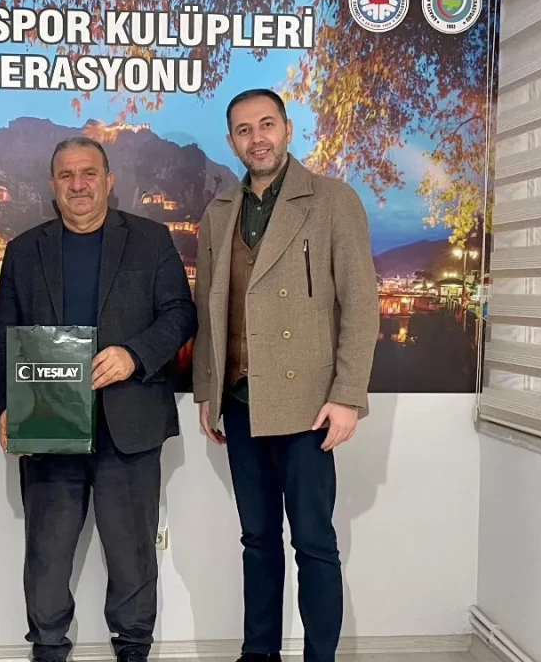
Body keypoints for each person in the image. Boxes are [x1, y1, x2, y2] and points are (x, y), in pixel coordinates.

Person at [0, 137, 197, 662]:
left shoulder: (151, 239)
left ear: (109, 180)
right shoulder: (24, 249)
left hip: (130, 425)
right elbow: (2, 334)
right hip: (48, 423)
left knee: (132, 557)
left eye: (88, 173)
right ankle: (47, 650)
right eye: (66, 175)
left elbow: (180, 314)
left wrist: (134, 354)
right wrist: (8, 405)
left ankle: (133, 650)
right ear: (53, 184)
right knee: (46, 556)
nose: (78, 185)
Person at [192, 89, 379, 662]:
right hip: (239, 401)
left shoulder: (332, 199)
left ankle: (320, 658)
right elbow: (210, 308)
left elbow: (361, 304)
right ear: (232, 141)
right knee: (257, 540)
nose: (258, 138)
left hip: (308, 405)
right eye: (244, 130)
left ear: (288, 129)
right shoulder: (219, 211)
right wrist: (208, 390)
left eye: (267, 124)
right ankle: (259, 654)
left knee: (315, 543)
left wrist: (347, 395)